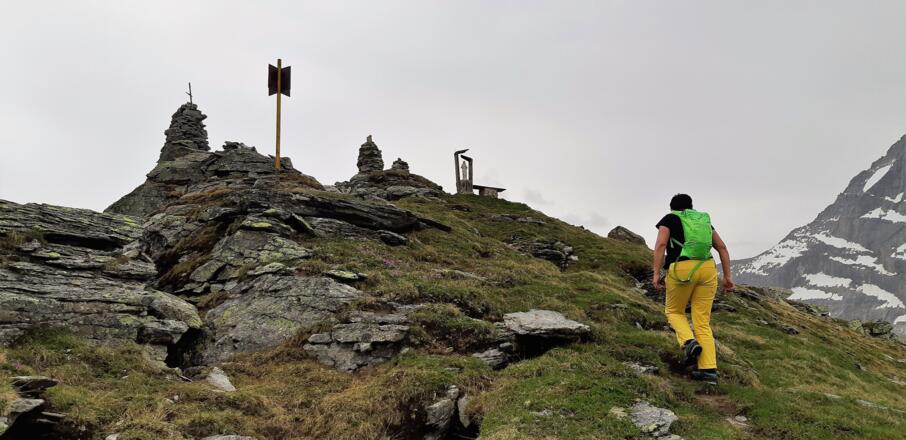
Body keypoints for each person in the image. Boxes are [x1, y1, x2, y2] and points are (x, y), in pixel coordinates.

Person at [652, 194, 734, 383]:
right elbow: (721, 247)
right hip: (707, 269)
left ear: (672, 207)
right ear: (691, 207)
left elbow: (661, 244)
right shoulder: (704, 221)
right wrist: (728, 277)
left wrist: (656, 272)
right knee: (702, 321)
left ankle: (689, 342)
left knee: (674, 311)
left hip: (682, 268)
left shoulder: (670, 219)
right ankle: (708, 371)